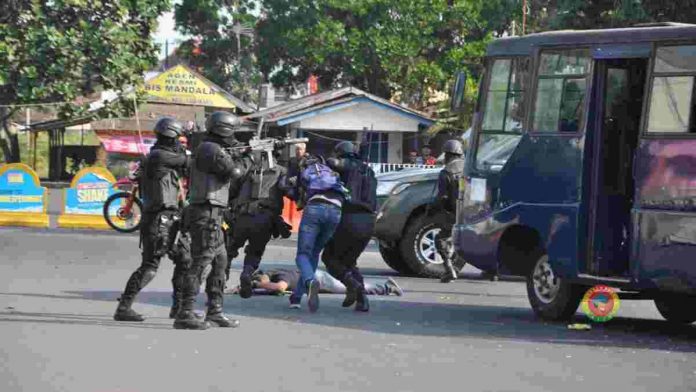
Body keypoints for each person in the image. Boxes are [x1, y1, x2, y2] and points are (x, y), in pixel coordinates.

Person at [173, 111, 254, 330]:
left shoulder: (213, 148)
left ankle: (215, 311)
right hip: (206, 212)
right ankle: (185, 312)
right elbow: (235, 172)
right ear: (224, 130)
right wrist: (249, 157)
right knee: (202, 262)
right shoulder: (211, 149)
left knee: (220, 262)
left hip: (213, 213)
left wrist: (243, 150)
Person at [114, 117, 190, 322]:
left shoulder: (158, 155)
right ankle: (124, 307)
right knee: (150, 266)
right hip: (159, 219)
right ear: (172, 137)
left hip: (169, 218)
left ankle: (179, 307)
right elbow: (187, 161)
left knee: (185, 260)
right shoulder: (160, 156)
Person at [225, 149, 290, 299]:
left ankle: (221, 279)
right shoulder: (281, 171)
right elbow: (289, 191)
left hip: (241, 217)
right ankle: (247, 274)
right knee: (255, 252)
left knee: (230, 250)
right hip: (264, 219)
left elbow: (232, 191)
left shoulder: (248, 170)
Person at [322, 141, 378, 312]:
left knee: (329, 259)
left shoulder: (347, 165)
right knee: (349, 261)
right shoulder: (369, 171)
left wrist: (320, 160)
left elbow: (333, 163)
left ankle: (353, 285)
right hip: (368, 222)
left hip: (350, 219)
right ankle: (362, 301)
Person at [287, 154, 347, 312]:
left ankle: (310, 282)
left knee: (302, 254)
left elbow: (296, 196)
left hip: (315, 208)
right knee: (313, 255)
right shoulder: (330, 172)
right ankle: (297, 297)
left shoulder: (305, 172)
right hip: (336, 210)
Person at [230, 268, 403, 299]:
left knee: (348, 288)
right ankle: (384, 287)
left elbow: (279, 288)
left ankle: (387, 287)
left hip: (319, 279)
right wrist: (241, 289)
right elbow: (270, 290)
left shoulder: (282, 275)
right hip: (315, 283)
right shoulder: (271, 279)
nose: (262, 284)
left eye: (260, 280)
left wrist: (256, 285)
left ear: (263, 276)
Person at [434, 139, 465, 283]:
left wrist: (438, 209)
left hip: (453, 213)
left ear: (447, 154)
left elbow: (442, 197)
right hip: (472, 213)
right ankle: (456, 269)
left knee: (440, 239)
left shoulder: (445, 172)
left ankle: (449, 269)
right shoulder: (469, 168)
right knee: (467, 243)